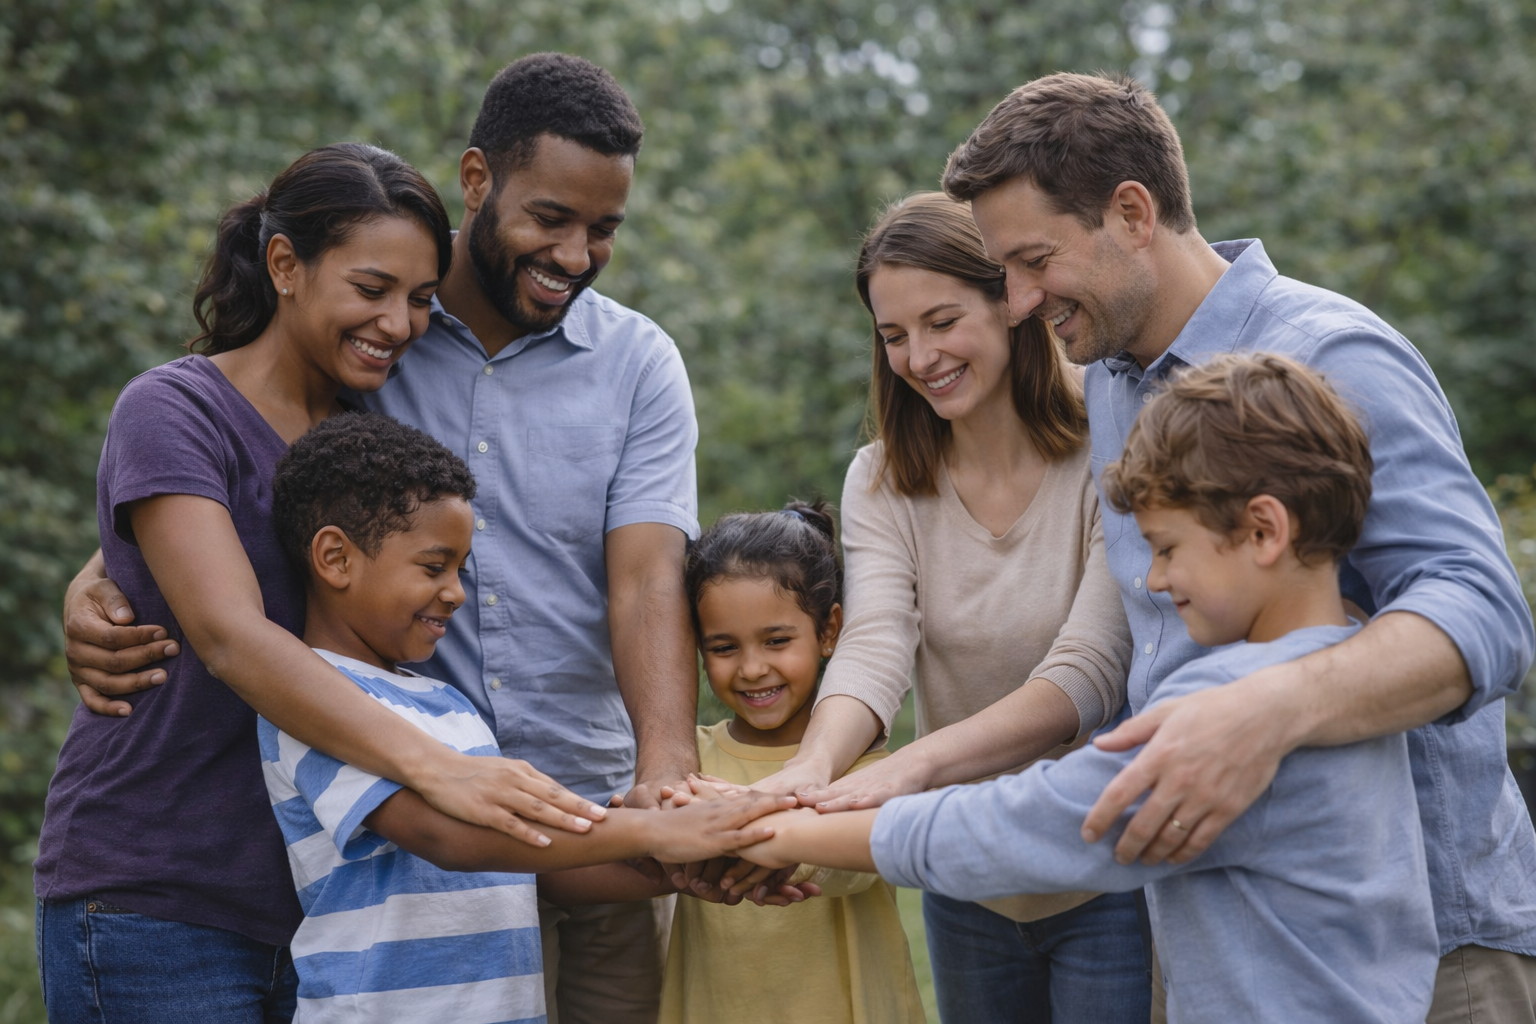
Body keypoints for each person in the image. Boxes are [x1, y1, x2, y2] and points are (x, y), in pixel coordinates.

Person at [60, 54, 743, 1023]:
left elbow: (646, 583)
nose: (578, 254)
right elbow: (221, 538)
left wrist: (669, 791)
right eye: (551, 218)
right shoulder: (365, 361)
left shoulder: (621, 364)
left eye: (604, 229)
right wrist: (104, 568)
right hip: (327, 852)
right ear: (479, 182)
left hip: (536, 825)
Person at [942, 72, 1536, 1020]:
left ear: (1132, 212)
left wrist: (1266, 711)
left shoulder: (1335, 356)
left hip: (1425, 952)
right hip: (1218, 939)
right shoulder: (1111, 380)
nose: (1014, 303)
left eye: (1033, 260)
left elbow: (1482, 612)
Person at [735, 353, 1442, 1023]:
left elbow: (1028, 824)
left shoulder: (1229, 710)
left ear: (1263, 531)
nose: (1156, 581)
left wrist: (784, 831)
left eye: (1166, 549)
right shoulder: (1356, 678)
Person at [262, 412, 793, 1024]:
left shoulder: (449, 707)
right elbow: (447, 840)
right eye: (435, 567)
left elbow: (525, 865)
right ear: (335, 558)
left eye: (460, 568)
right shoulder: (314, 702)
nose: (457, 591)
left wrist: (671, 871)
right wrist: (658, 832)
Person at [750, 192, 1141, 1021]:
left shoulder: (1116, 442)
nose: (920, 357)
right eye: (893, 336)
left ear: (1010, 301)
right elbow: (875, 646)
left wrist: (904, 772)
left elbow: (1087, 675)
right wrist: (812, 771)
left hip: (1106, 869)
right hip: (963, 874)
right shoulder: (883, 477)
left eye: (941, 321)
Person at [655, 500, 925, 1024]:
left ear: (829, 632)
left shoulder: (860, 764)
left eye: (776, 641)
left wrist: (747, 836)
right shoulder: (689, 759)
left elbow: (864, 861)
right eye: (724, 647)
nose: (753, 668)